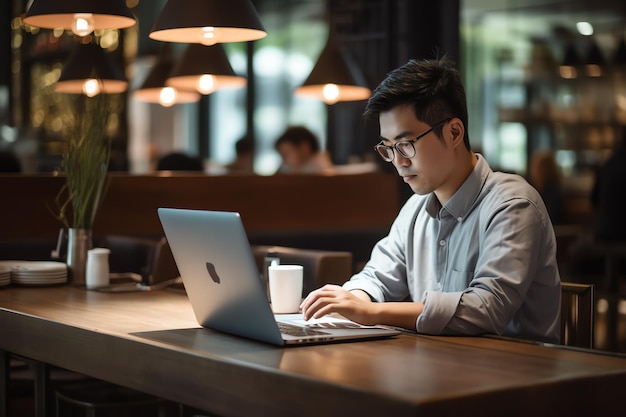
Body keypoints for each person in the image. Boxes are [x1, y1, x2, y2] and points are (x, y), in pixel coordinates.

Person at [300, 57, 561, 344]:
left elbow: (487, 309)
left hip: (519, 374)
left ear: (453, 133)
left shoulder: (513, 204)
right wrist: (349, 300)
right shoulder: (416, 209)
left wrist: (372, 311)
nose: (398, 162)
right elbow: (376, 277)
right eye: (387, 148)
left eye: (406, 144)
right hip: (440, 366)